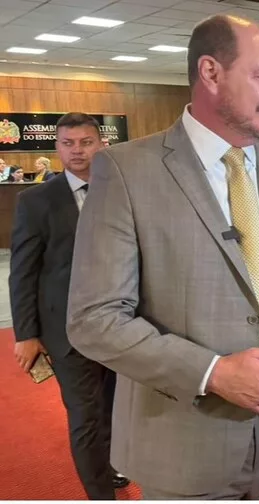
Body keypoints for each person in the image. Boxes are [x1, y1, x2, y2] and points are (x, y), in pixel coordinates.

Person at [65, 14, 259, 499]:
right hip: (186, 449)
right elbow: (95, 318)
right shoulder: (126, 172)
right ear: (211, 72)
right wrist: (213, 372)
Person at [9, 113, 129, 499]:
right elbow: (23, 273)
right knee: (86, 417)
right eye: (68, 143)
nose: (77, 151)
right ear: (57, 147)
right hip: (66, 330)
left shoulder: (123, 191)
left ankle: (109, 466)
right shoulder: (36, 200)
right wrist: (26, 333)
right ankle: (100, 495)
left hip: (122, 324)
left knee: (114, 408)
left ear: (101, 144)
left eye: (86, 142)